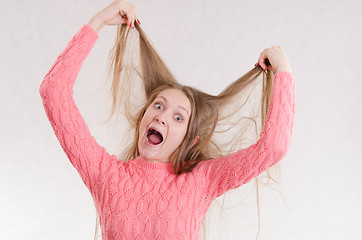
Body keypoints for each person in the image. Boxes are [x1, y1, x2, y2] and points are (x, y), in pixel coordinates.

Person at [39, 0, 295, 239]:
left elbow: (273, 148)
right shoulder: (106, 174)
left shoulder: (202, 180)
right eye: (158, 105)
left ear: (191, 139)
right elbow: (53, 91)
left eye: (178, 117)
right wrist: (98, 22)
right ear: (144, 118)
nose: (161, 116)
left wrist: (283, 71)